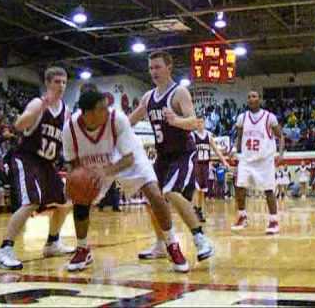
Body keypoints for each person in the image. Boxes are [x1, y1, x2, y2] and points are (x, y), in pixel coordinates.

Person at [62, 88, 189, 272]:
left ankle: (172, 244)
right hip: (94, 162)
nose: (107, 111)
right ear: (88, 114)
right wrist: (74, 182)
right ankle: (83, 248)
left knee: (154, 193)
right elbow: (72, 164)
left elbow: (129, 159)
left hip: (124, 157)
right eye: (101, 109)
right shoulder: (70, 129)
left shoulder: (117, 119)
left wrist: (105, 172)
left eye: (107, 107)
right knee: (80, 201)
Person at [129, 51, 214, 263]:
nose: (153, 72)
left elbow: (195, 121)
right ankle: (160, 244)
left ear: (169, 67)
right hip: (162, 156)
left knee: (172, 192)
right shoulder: (148, 97)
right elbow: (130, 120)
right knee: (152, 200)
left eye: (157, 67)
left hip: (183, 153)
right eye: (150, 68)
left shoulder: (180, 93)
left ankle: (200, 238)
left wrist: (176, 120)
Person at [0, 67, 74, 270]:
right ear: (48, 83)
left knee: (65, 202)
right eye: (57, 82)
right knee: (31, 201)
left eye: (64, 82)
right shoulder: (38, 103)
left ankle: (53, 242)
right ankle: (4, 249)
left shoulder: (66, 111)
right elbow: (19, 125)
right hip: (27, 158)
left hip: (47, 164)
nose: (61, 86)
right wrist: (40, 108)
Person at [231, 91, 284, 233]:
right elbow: (239, 137)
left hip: (264, 160)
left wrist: (281, 154)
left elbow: (281, 136)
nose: (251, 99)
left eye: (254, 96)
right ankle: (242, 216)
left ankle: (274, 221)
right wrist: (236, 152)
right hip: (247, 159)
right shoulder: (242, 117)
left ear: (259, 99)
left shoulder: (269, 117)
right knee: (239, 187)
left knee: (268, 190)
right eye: (248, 97)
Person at [192, 120, 229, 222]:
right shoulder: (193, 135)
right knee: (197, 188)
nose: (199, 124)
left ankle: (198, 209)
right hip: (197, 164)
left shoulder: (208, 135)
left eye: (201, 122)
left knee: (203, 189)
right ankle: (196, 209)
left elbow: (216, 150)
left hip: (205, 165)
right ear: (196, 124)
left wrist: (224, 161)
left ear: (204, 123)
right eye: (198, 123)